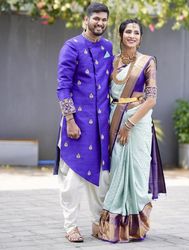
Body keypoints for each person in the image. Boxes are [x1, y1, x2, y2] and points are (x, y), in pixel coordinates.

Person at [95, 19, 166, 243]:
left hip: (138, 122)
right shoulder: (112, 61)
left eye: (136, 32)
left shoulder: (147, 62)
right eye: (128, 31)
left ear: (140, 37)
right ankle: (115, 227)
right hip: (114, 118)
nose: (132, 35)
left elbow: (152, 99)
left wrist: (129, 123)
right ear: (121, 35)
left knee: (136, 172)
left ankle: (135, 228)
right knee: (117, 171)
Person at [53, 2, 113, 242]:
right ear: (85, 20)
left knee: (102, 176)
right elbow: (63, 87)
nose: (100, 23)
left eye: (103, 20)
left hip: (101, 125)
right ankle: (71, 226)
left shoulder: (108, 47)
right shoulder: (71, 46)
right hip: (77, 124)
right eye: (96, 19)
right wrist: (70, 120)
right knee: (73, 179)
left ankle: (98, 223)